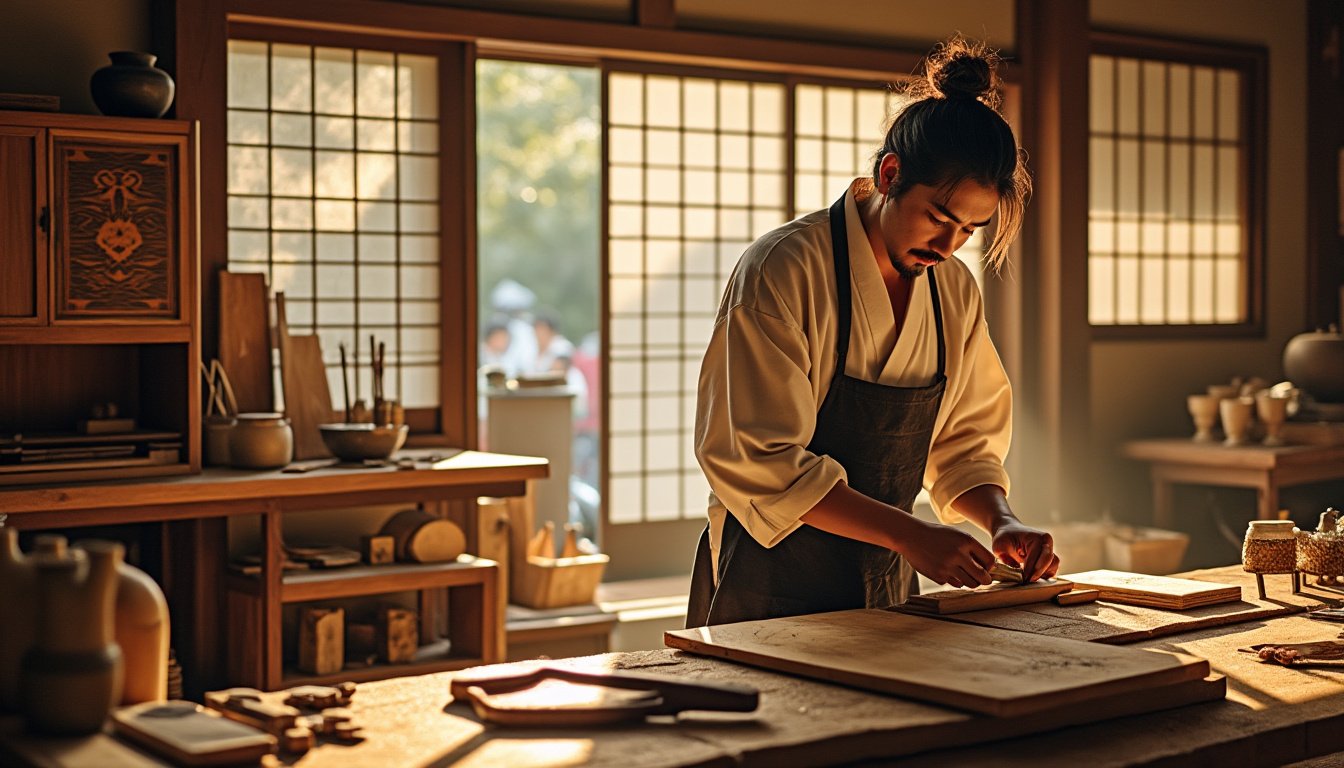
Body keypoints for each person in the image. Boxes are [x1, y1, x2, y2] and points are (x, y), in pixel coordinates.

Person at [687, 37, 1059, 628]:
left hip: (888, 578)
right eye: (939, 217)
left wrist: (1000, 520)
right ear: (890, 174)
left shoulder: (953, 291)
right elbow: (757, 457)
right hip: (769, 580)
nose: (947, 246)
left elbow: (963, 445)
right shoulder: (785, 269)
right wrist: (912, 534)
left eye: (968, 229)